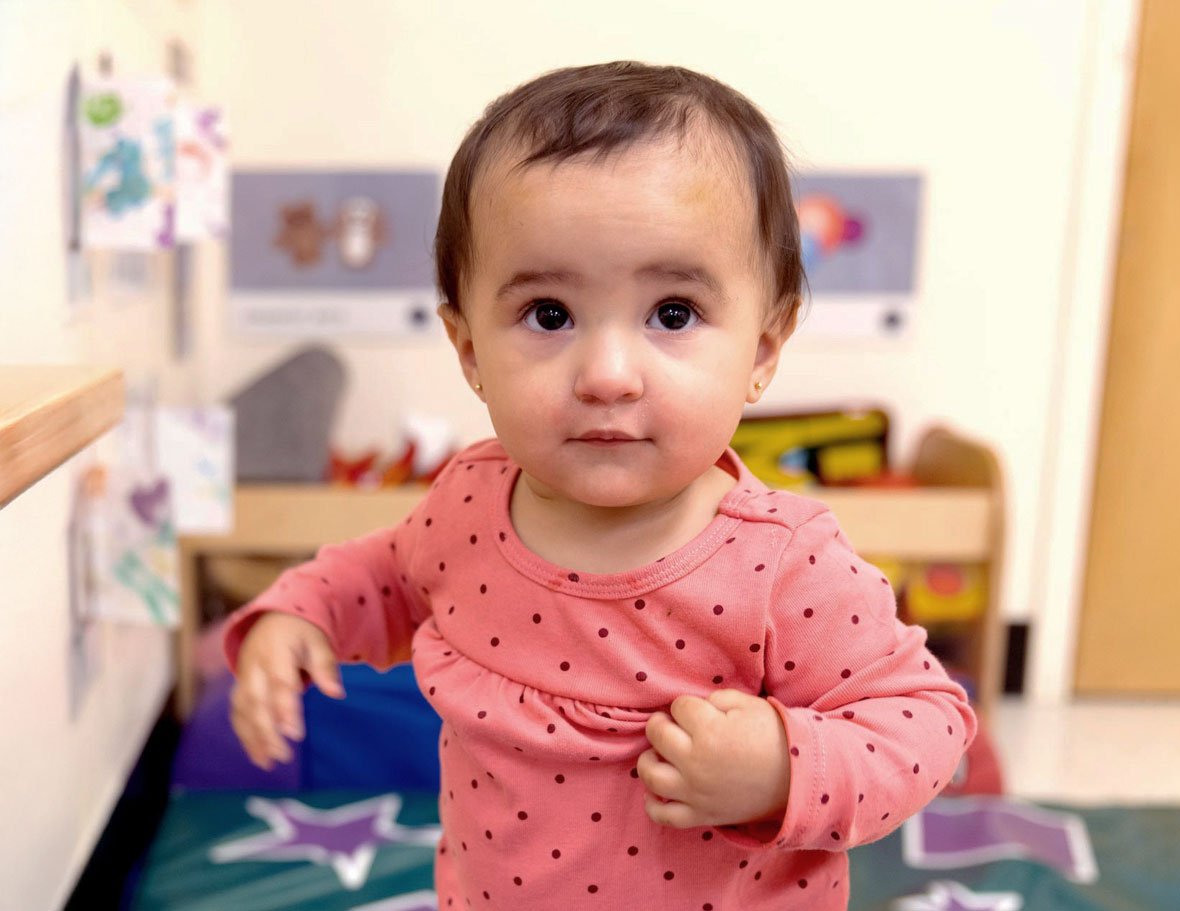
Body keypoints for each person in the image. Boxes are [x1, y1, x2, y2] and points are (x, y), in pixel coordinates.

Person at [224, 61, 977, 910]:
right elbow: (388, 573)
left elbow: (925, 726)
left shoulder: (783, 565)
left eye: (673, 313)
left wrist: (783, 766)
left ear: (763, 350)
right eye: (549, 314)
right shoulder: (469, 501)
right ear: (470, 348)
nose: (609, 374)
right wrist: (299, 612)